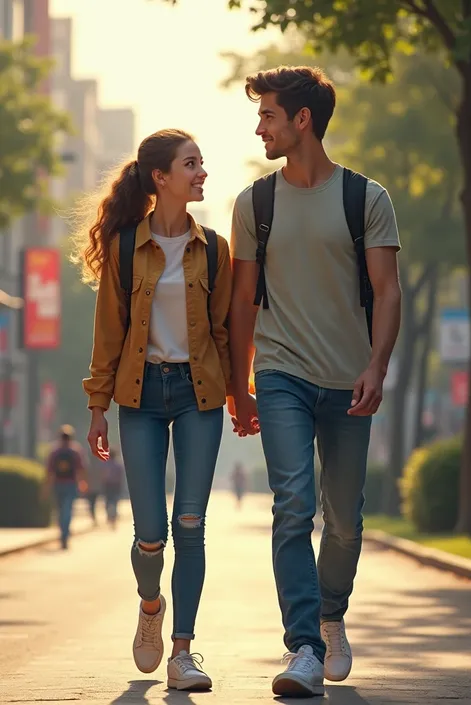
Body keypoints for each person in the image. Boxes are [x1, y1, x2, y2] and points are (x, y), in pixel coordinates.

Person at [229, 66, 401, 697]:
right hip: (281, 375)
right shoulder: (255, 202)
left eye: (268, 115)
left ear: (303, 120)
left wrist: (377, 365)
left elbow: (387, 291)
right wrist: (238, 385)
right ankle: (303, 645)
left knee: (346, 520)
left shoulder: (366, 198)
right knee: (293, 504)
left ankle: (332, 615)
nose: (259, 127)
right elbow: (243, 302)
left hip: (350, 381)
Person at [74, 129, 232, 691]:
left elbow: (222, 332)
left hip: (197, 395)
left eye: (202, 163)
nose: (201, 172)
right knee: (150, 533)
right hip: (138, 397)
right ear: (160, 177)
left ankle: (183, 652)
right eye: (191, 164)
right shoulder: (123, 247)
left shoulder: (214, 248)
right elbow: (108, 334)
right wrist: (97, 408)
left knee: (190, 524)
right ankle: (150, 606)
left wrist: (239, 394)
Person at [43, 424, 88, 550]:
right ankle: (64, 534)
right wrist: (83, 483)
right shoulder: (75, 450)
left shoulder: (54, 451)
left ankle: (63, 533)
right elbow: (81, 469)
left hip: (58, 484)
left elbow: (49, 471)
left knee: (60, 511)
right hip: (70, 484)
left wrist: (46, 487)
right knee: (67, 510)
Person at [101, 447, 124, 529]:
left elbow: (103, 475)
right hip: (116, 485)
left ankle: (109, 515)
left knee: (108, 501)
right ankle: (113, 516)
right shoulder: (118, 464)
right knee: (114, 501)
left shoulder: (105, 464)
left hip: (107, 485)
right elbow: (121, 476)